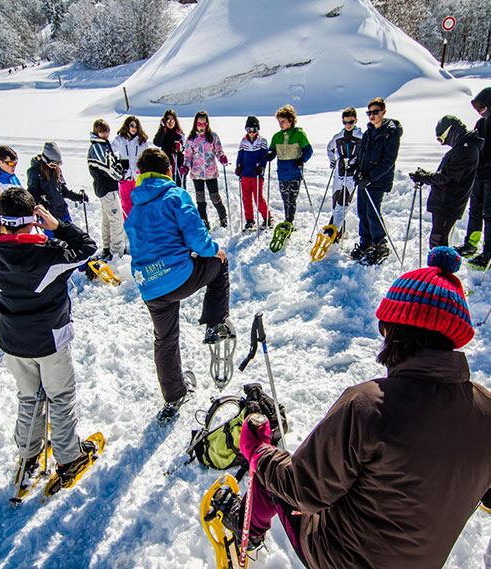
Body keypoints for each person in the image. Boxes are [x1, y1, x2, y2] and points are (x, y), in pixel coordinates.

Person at [208, 246, 491, 569]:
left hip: (342, 558)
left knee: (275, 471)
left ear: (395, 330)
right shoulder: (486, 409)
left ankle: (248, 532)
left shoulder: (369, 405)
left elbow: (302, 490)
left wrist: (257, 450)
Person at [0, 187, 99, 487]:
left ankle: (29, 452)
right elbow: (87, 246)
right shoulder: (50, 254)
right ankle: (69, 457)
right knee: (60, 396)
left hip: (13, 342)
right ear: (34, 218)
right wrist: (58, 226)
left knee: (29, 397)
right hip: (50, 341)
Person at [124, 148, 231, 425]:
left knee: (164, 338)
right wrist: (215, 250)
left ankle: (174, 394)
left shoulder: (135, 208)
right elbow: (197, 238)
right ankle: (215, 322)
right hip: (178, 278)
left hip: (149, 286)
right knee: (219, 264)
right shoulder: (174, 195)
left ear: (141, 174)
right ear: (168, 170)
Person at [410, 116, 483, 249]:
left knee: (437, 241)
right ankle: (439, 267)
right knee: (438, 241)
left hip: (449, 202)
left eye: (441, 139)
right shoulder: (463, 146)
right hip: (445, 201)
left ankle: (440, 268)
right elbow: (447, 174)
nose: (442, 143)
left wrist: (424, 177)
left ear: (451, 132)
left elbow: (446, 177)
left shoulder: (466, 149)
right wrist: (425, 176)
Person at [351, 97, 403, 265]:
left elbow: (389, 160)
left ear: (383, 112)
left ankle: (380, 245)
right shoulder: (368, 133)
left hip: (378, 180)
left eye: (375, 112)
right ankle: (366, 242)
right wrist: (357, 170)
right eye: (369, 113)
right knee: (362, 211)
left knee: (373, 212)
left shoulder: (390, 133)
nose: (372, 116)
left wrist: (371, 177)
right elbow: (362, 155)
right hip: (364, 179)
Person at [455, 87, 491, 268]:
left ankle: (488, 252)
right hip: (479, 174)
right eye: (478, 108)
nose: (480, 111)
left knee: (489, 214)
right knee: (475, 210)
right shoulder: (480, 123)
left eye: (483, 107)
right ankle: (471, 243)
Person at [264, 104, 313, 227]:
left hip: (295, 173)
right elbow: (272, 150)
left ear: (291, 121)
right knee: (285, 199)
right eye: (279, 122)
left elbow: (308, 150)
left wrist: (302, 159)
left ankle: (289, 221)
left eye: (283, 121)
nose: (281, 124)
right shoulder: (277, 136)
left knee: (292, 199)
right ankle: (287, 219)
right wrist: (270, 154)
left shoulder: (299, 134)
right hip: (282, 173)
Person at [27, 142, 88, 238]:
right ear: (45, 160)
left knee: (70, 237)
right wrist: (41, 202)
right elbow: (32, 193)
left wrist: (77, 196)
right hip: (48, 215)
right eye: (52, 164)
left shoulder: (57, 171)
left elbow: (63, 190)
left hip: (62, 211)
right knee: (55, 243)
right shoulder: (34, 172)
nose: (55, 167)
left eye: (57, 164)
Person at [180, 111, 229, 229]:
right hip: (197, 173)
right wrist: (185, 166)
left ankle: (223, 217)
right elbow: (187, 156)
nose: (201, 126)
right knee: (200, 199)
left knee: (215, 197)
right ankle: (204, 221)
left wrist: (221, 156)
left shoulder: (213, 136)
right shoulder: (191, 139)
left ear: (207, 124)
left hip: (211, 172)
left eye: (204, 124)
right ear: (195, 124)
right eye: (199, 124)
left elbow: (218, 151)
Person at [87, 119, 126, 261]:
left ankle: (107, 246)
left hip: (104, 187)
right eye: (103, 131)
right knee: (116, 220)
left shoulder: (101, 145)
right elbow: (108, 168)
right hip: (106, 187)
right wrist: (120, 174)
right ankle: (116, 251)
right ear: (97, 132)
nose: (106, 134)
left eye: (107, 131)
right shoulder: (98, 147)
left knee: (107, 219)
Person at [323, 107, 363, 240]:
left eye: (351, 122)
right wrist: (333, 161)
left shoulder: (361, 137)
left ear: (356, 121)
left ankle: (334, 230)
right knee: (336, 201)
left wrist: (358, 165)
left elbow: (365, 154)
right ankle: (340, 229)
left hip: (352, 174)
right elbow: (329, 148)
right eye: (345, 122)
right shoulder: (338, 136)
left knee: (343, 202)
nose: (348, 125)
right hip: (339, 173)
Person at [235, 115, 271, 231]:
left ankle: (267, 217)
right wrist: (238, 166)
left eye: (253, 130)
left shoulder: (262, 141)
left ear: (257, 130)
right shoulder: (244, 141)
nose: (251, 132)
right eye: (248, 130)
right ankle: (249, 220)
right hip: (245, 173)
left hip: (256, 174)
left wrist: (261, 167)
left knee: (258, 197)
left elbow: (264, 156)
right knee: (246, 198)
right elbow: (240, 155)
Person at [111, 116, 149, 219]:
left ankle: (139, 224)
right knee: (126, 203)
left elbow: (146, 156)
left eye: (136, 126)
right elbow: (110, 151)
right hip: (126, 176)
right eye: (131, 125)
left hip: (138, 176)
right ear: (127, 126)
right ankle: (128, 224)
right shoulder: (120, 139)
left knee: (140, 201)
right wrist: (116, 164)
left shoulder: (141, 140)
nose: (134, 128)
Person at [153, 109, 185, 186]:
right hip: (165, 165)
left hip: (177, 165)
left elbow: (184, 149)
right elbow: (157, 143)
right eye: (168, 120)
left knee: (178, 186)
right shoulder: (163, 133)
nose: (170, 122)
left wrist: (180, 148)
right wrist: (162, 129)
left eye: (172, 120)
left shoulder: (179, 134)